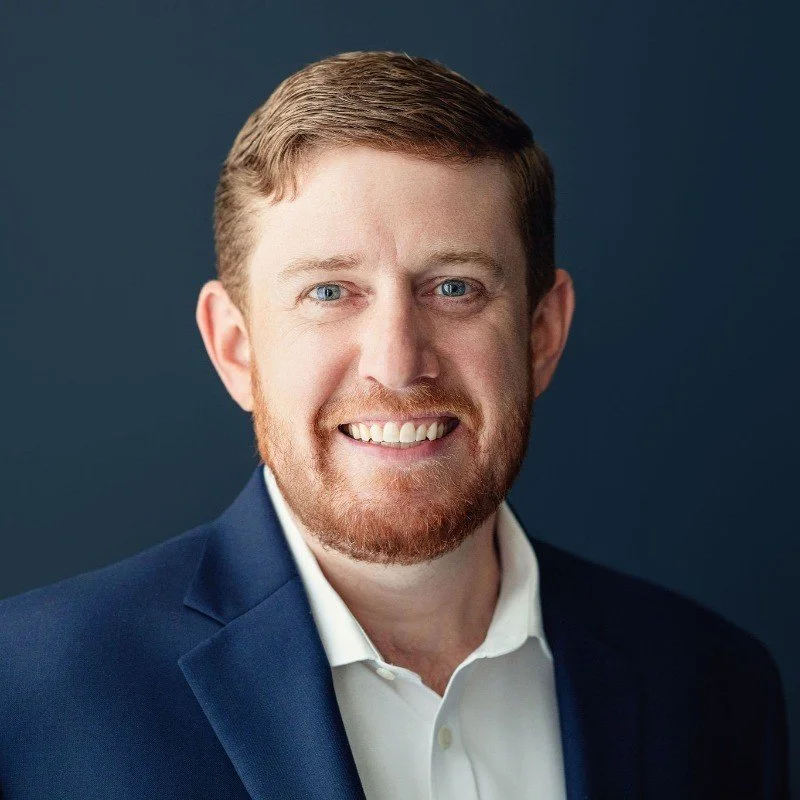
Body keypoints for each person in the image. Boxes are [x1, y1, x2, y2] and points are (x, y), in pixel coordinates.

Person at [0, 51, 789, 800]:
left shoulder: (714, 687)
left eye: (454, 288)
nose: (398, 364)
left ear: (542, 334)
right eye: (328, 292)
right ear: (236, 349)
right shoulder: (29, 694)